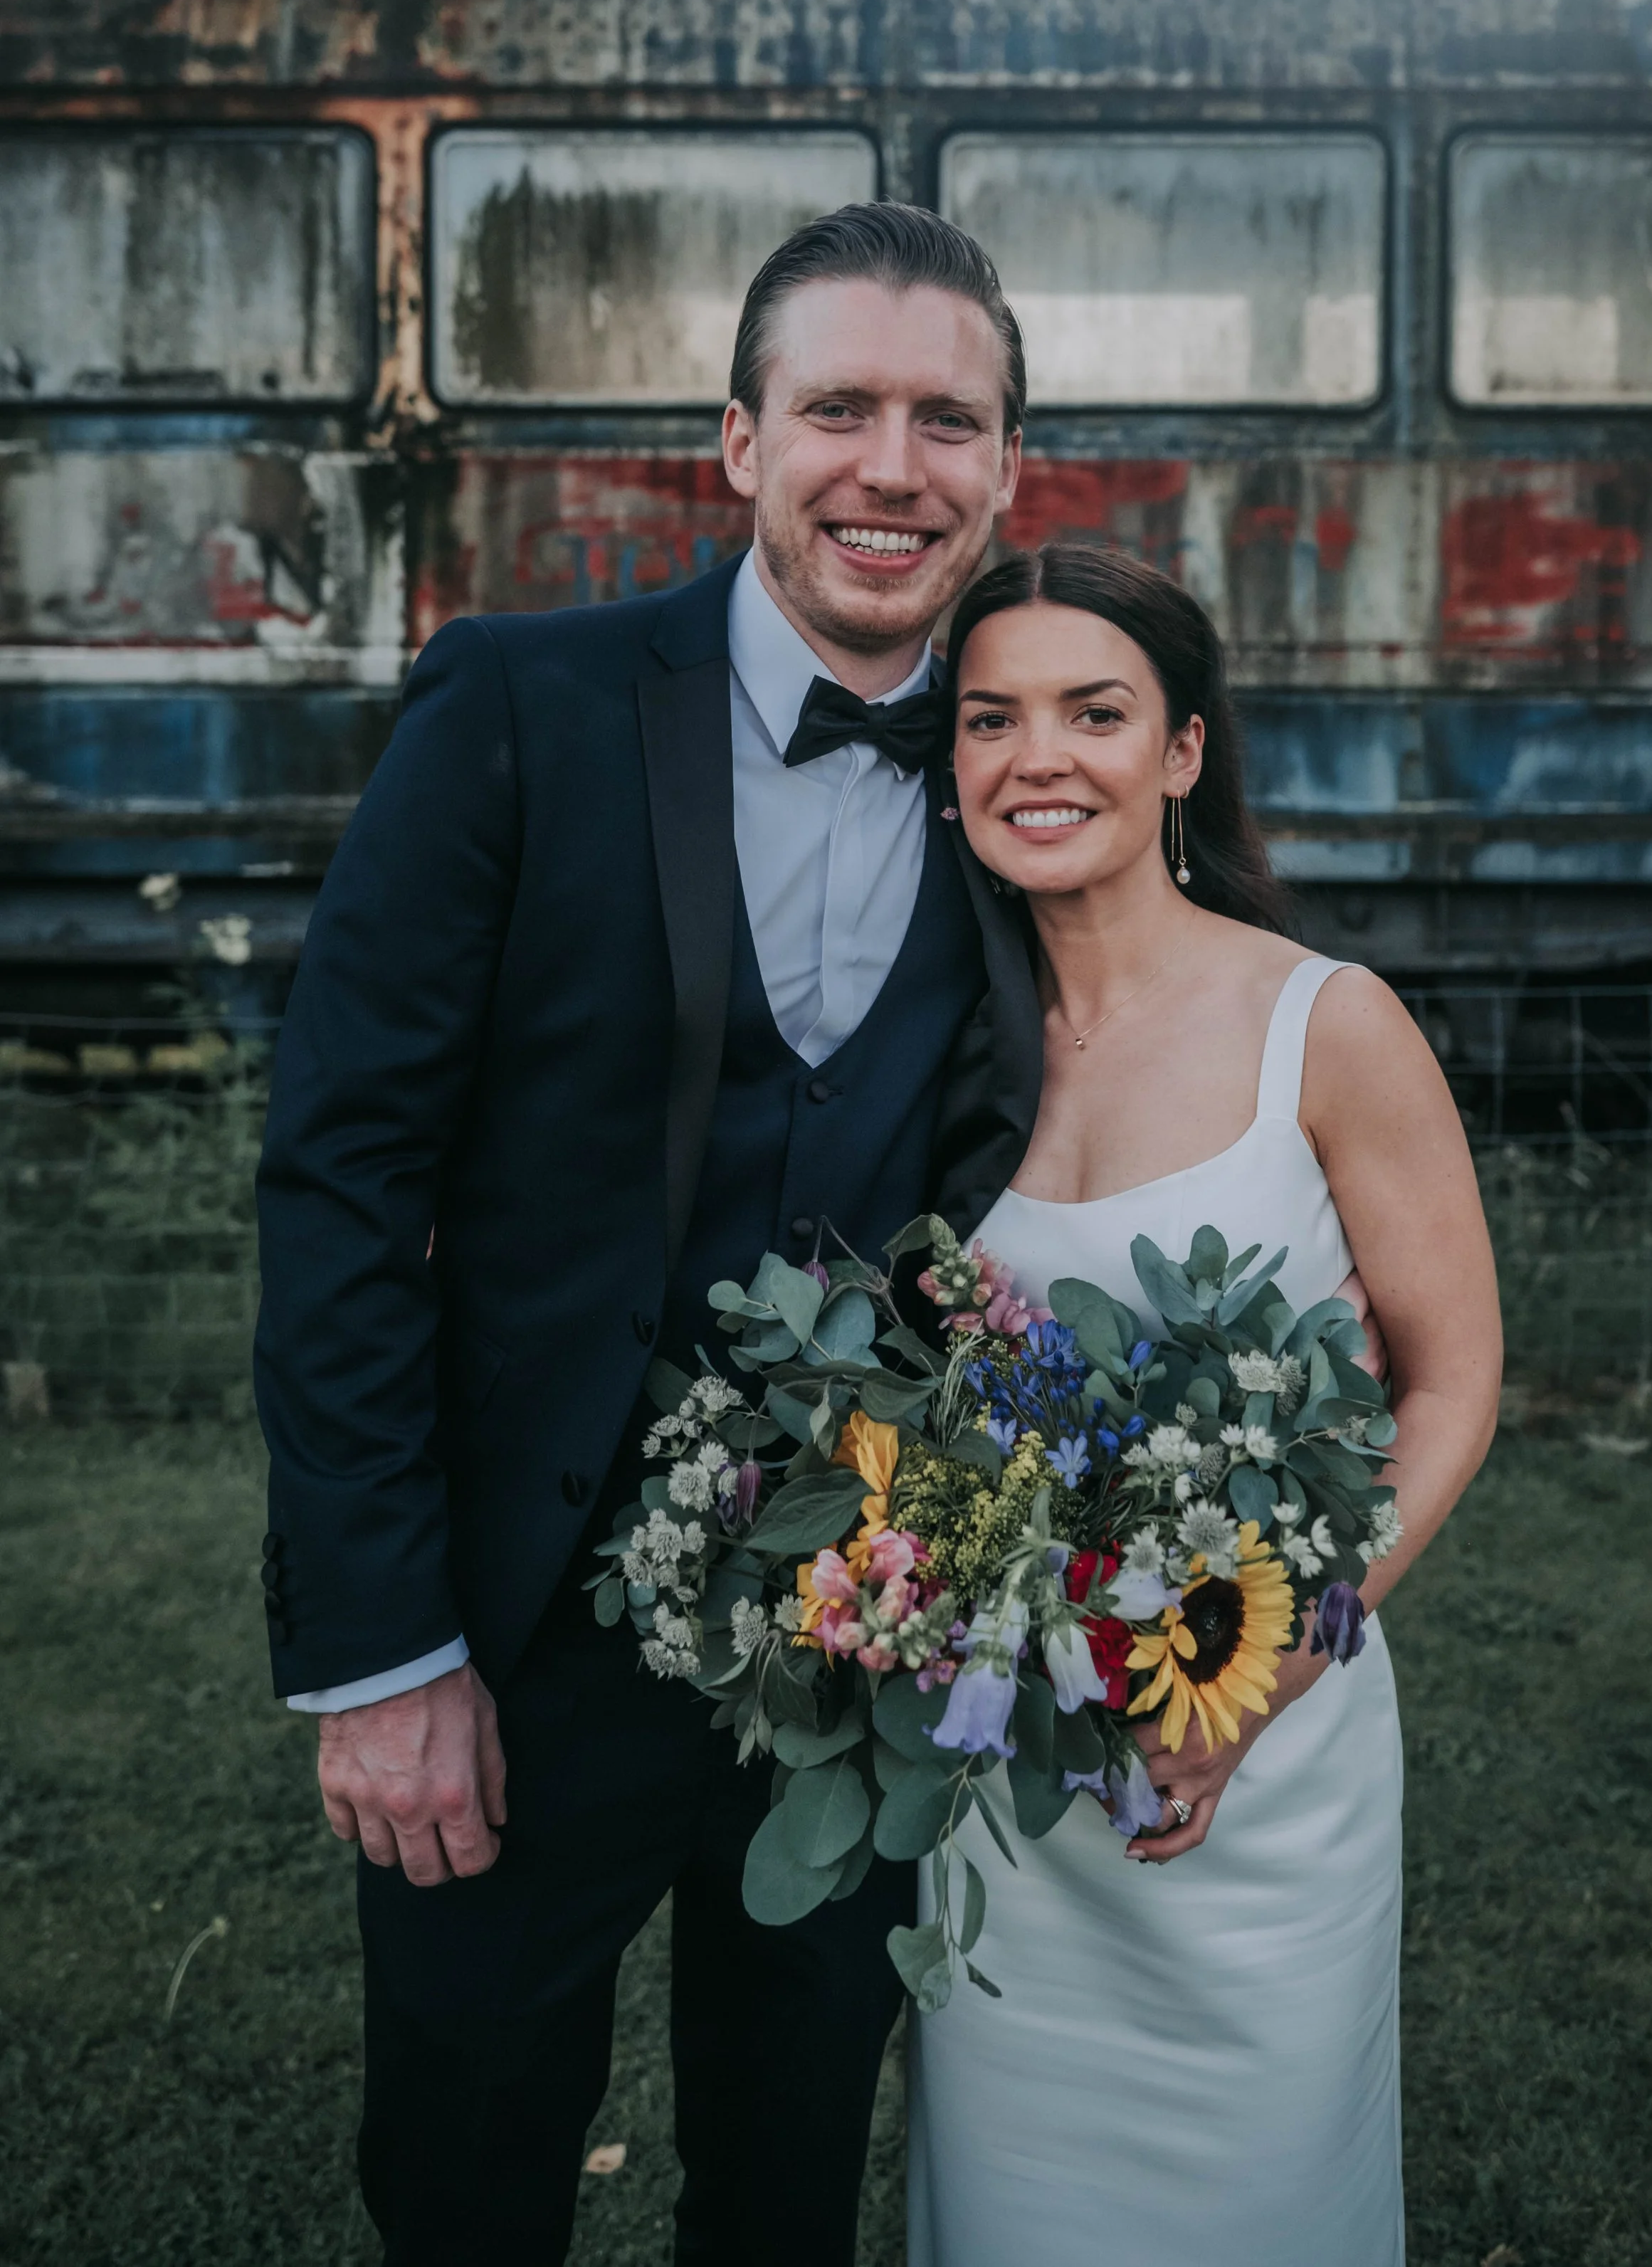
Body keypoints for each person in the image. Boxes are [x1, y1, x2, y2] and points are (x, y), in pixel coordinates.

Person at [252, 201, 1044, 2266]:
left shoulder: (1041, 758)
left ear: (1007, 473)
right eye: (839, 406)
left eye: (944, 417)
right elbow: (344, 1175)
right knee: (467, 2164)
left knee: (788, 2179)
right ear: (736, 441)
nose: (892, 464)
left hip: (864, 1633)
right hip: (512, 1632)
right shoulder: (519, 700)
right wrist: (381, 1648)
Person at [906, 542, 1503, 2267]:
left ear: (1178, 751)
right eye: (989, 718)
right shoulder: (933, 1041)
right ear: (949, 766)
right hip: (1008, 1776)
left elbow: (1450, 1384)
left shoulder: (1322, 1025)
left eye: (1095, 714)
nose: (1039, 760)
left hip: (1264, 1744)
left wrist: (1272, 1667)